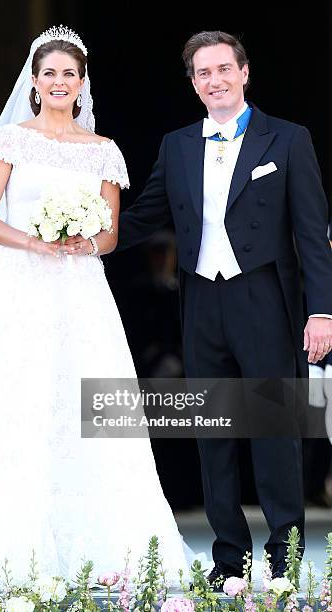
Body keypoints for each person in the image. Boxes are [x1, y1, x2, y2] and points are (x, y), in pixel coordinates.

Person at [0, 26, 192, 589]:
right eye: (50, 73)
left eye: (70, 73)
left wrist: (82, 242)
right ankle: (2, 549)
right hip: (16, 286)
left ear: (82, 81)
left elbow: (112, 233)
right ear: (35, 81)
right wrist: (34, 241)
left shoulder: (104, 151)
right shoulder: (12, 142)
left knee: (85, 406)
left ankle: (104, 552)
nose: (59, 82)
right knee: (14, 402)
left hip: (79, 291)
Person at [114, 30, 332, 587]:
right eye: (203, 73)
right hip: (201, 302)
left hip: (264, 298)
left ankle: (282, 560)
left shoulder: (287, 139)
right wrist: (91, 236)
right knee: (213, 434)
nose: (215, 80)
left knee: (274, 431)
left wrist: (322, 313)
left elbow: (312, 236)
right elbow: (145, 215)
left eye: (223, 69)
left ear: (244, 72)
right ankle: (228, 560)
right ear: (193, 84)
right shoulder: (177, 144)